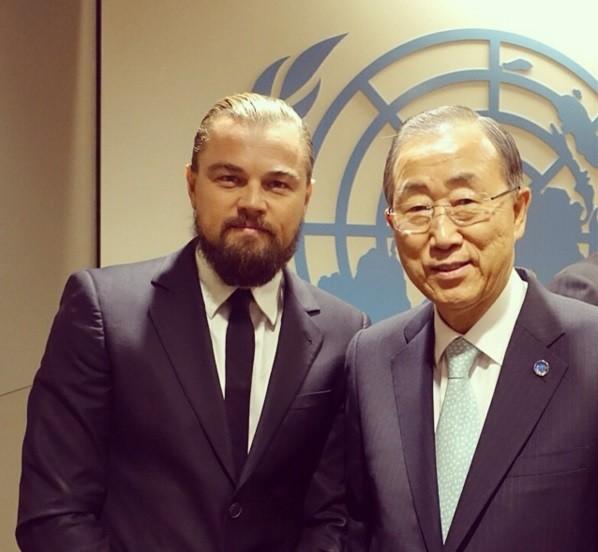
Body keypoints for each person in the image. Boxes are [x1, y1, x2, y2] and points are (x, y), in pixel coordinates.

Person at [17, 92, 368, 551]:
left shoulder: (345, 334)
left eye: (277, 184)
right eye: (229, 178)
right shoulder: (104, 311)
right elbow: (53, 513)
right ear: (192, 184)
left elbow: (333, 517)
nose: (252, 202)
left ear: (306, 196)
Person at [345, 106, 598, 551]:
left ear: (518, 210)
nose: (442, 236)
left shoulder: (589, 351)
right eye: (417, 209)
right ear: (392, 224)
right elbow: (357, 526)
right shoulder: (371, 358)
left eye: (465, 203)